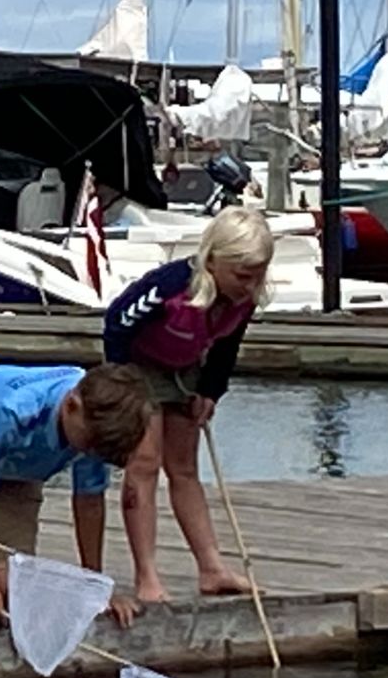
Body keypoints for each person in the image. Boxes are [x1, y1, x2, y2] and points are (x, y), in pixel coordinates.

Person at [102, 206, 272, 603]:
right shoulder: (170, 287)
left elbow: (227, 346)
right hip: (138, 368)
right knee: (144, 463)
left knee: (184, 467)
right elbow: (117, 323)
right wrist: (123, 385)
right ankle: (146, 575)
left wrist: (211, 390)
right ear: (212, 262)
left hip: (186, 370)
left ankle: (211, 568)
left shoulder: (242, 300)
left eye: (258, 276)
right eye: (242, 276)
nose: (249, 286)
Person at [0, 363, 152, 627]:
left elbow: (89, 504)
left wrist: (96, 590)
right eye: (87, 446)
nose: (89, 455)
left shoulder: (95, 434)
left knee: (10, 590)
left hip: (20, 472)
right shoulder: (13, 411)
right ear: (71, 406)